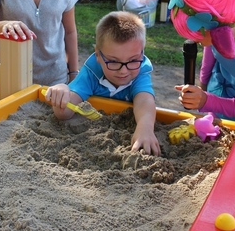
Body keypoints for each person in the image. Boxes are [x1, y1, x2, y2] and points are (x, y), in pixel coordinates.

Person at [44, 11, 160, 156]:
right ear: (98, 55)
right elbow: (64, 113)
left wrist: (145, 128)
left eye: (132, 60)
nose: (123, 71)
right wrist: (62, 93)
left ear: (142, 55)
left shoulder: (140, 71)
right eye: (113, 61)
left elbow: (144, 100)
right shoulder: (91, 73)